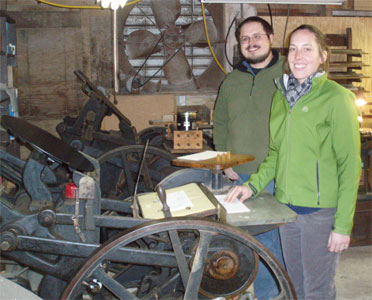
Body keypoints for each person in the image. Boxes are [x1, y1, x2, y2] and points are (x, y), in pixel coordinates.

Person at [225, 24, 361, 300]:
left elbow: (350, 164)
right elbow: (275, 153)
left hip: (319, 213)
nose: (298, 56)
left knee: (317, 290)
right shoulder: (281, 97)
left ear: (323, 55)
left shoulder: (337, 98)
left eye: (307, 48)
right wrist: (252, 186)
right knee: (293, 285)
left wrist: (343, 225)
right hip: (286, 208)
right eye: (294, 49)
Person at [213, 16, 285, 300]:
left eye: (257, 36)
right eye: (245, 39)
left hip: (280, 175)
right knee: (253, 243)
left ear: (270, 37)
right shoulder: (231, 81)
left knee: (277, 241)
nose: (251, 43)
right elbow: (220, 122)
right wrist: (225, 159)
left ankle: (277, 294)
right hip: (242, 176)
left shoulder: (288, 73)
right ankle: (267, 293)